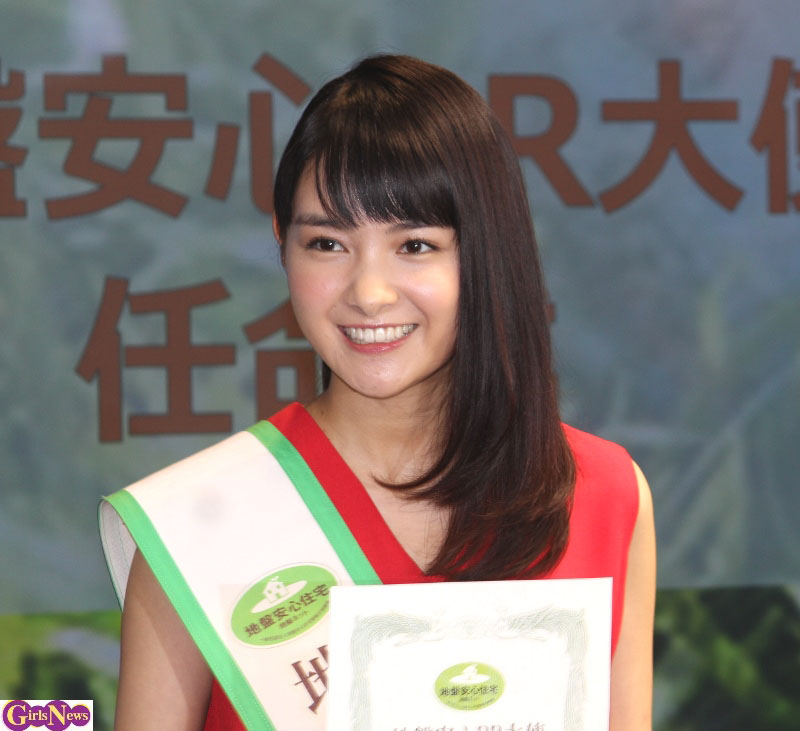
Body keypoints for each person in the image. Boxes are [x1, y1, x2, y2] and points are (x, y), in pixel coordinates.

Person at [106, 54, 656, 730]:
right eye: (327, 244)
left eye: (415, 246)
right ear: (282, 244)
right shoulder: (192, 526)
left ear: (486, 252)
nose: (368, 293)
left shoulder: (602, 494)